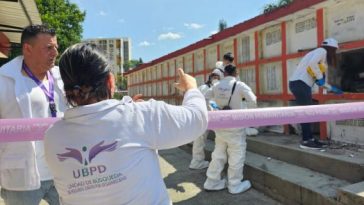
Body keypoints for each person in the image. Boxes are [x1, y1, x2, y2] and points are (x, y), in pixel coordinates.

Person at [43, 43, 208, 205]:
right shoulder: (139, 115)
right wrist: (191, 89)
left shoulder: (52, 136)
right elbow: (197, 119)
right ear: (110, 81)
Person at [0, 24, 66, 205]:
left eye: (56, 47)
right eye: (49, 48)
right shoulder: (3, 79)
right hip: (21, 177)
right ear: (28, 49)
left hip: (61, 171)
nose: (55, 53)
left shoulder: (62, 76)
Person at [203, 64, 257, 194]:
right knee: (236, 155)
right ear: (236, 73)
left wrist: (211, 111)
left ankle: (212, 181)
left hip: (220, 124)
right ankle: (234, 184)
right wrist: (249, 117)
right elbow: (253, 100)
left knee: (218, 154)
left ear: (225, 73)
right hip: (236, 125)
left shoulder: (216, 86)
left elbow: (204, 97)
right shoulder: (240, 85)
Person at [289, 38, 343, 150]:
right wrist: (320, 78)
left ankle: (310, 139)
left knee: (308, 112)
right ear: (331, 48)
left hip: (300, 84)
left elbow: (319, 80)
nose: (334, 54)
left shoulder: (319, 58)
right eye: (334, 51)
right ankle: (305, 141)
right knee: (306, 112)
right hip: (300, 83)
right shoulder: (321, 51)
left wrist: (331, 88)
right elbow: (312, 66)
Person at [189, 64, 224, 169]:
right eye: (214, 77)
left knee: (201, 140)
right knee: (200, 140)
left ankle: (198, 161)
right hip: (206, 117)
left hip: (208, 117)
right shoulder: (206, 88)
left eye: (217, 77)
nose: (215, 79)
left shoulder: (213, 88)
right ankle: (197, 162)